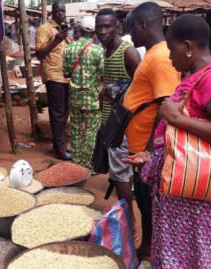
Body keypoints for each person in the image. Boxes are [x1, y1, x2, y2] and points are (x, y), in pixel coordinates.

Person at [126, 14, 211, 268]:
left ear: (189, 47)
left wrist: (178, 119)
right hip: (183, 195)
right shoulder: (195, 75)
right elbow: (191, 139)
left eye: (172, 50)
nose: (170, 58)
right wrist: (155, 157)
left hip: (196, 199)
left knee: (200, 257)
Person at [120, 2, 180, 260]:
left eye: (132, 27)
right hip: (141, 148)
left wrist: (149, 150)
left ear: (144, 25)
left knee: (151, 205)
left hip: (149, 151)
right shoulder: (154, 54)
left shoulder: (160, 58)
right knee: (145, 203)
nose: (130, 34)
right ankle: (147, 246)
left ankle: (153, 252)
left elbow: (166, 108)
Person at [95, 8, 142, 240]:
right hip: (110, 121)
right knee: (118, 172)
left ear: (117, 28)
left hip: (122, 125)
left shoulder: (128, 52)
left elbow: (142, 87)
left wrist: (116, 95)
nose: (102, 31)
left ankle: (129, 223)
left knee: (121, 175)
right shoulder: (107, 51)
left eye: (107, 26)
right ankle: (126, 216)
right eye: (99, 27)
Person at [63, 16, 104, 170]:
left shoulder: (69, 49)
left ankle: (76, 164)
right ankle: (86, 166)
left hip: (74, 98)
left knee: (76, 132)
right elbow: (102, 74)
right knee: (90, 133)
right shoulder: (98, 50)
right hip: (91, 99)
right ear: (93, 31)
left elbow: (66, 73)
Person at [36, 0, 72, 160]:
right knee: (57, 113)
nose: (62, 14)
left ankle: (59, 144)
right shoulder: (44, 29)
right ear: (52, 12)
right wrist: (56, 40)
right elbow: (39, 53)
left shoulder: (64, 31)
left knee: (65, 110)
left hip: (66, 76)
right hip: (53, 75)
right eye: (59, 11)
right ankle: (60, 149)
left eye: (63, 11)